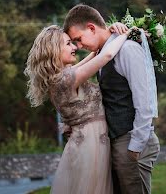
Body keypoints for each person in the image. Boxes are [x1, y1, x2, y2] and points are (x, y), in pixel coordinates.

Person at [24, 22, 130, 194]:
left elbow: (96, 54)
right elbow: (107, 55)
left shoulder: (61, 77)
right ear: (53, 50)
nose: (74, 47)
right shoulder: (66, 80)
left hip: (88, 142)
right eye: (68, 43)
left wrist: (108, 33)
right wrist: (128, 33)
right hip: (90, 146)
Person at [64, 4, 160, 194]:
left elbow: (146, 102)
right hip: (117, 142)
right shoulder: (103, 53)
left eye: (79, 39)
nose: (79, 46)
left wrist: (135, 148)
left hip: (131, 141)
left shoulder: (127, 50)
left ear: (91, 28)